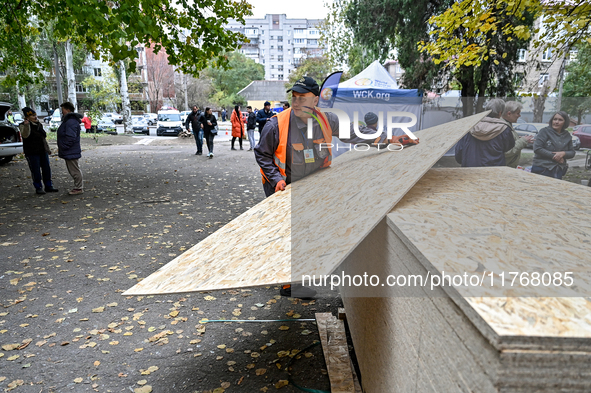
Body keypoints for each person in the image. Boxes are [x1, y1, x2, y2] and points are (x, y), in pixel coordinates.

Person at [255, 76, 407, 298]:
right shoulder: (276, 125)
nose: (296, 103)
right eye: (294, 98)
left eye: (302, 98)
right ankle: (290, 284)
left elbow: (357, 133)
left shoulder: (328, 120)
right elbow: (262, 154)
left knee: (307, 230)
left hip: (310, 182)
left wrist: (392, 139)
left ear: (315, 100)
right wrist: (275, 178)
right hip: (281, 185)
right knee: (287, 233)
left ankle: (299, 275)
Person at [455, 99, 515, 167]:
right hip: (494, 172)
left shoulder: (469, 127)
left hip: (470, 172)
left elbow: (458, 154)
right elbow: (509, 147)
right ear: (500, 113)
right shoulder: (504, 130)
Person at [19, 107, 58, 194]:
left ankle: (49, 186)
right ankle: (38, 187)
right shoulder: (23, 125)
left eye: (35, 115)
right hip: (32, 152)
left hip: (42, 150)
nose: (35, 117)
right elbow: (25, 135)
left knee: (46, 169)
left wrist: (47, 149)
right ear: (27, 117)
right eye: (32, 116)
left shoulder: (38, 124)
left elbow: (43, 138)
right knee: (35, 170)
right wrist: (26, 125)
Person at [531, 111, 575, 179]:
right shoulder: (544, 131)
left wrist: (563, 153)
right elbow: (537, 148)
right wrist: (555, 157)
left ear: (565, 122)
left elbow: (572, 152)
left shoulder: (567, 135)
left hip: (558, 169)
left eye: (560, 120)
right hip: (542, 168)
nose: (556, 122)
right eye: (555, 119)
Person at [56, 102, 84, 195]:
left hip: (70, 150)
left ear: (68, 110)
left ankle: (78, 188)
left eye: (63, 109)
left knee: (74, 170)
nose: (62, 112)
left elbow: (71, 137)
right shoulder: (69, 121)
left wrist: (64, 146)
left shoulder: (70, 121)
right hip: (70, 150)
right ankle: (78, 187)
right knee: (74, 169)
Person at [502, 101, 534, 168]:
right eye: (518, 113)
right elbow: (508, 151)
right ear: (509, 114)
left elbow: (509, 142)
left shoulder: (506, 125)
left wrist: (521, 139)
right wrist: (523, 140)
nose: (519, 115)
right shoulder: (503, 128)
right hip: (505, 167)